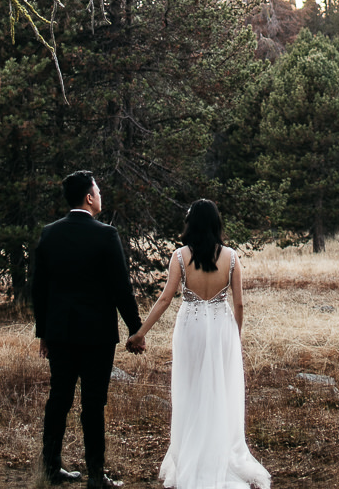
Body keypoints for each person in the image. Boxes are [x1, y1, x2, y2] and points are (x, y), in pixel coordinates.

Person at [126, 200, 271, 489]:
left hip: (190, 327)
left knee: (191, 389)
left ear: (191, 223)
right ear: (217, 223)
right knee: (220, 389)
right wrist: (235, 335)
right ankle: (221, 454)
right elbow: (239, 302)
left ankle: (192, 456)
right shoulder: (231, 257)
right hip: (221, 328)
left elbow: (165, 299)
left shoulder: (180, 257)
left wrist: (140, 333)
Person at [31, 170, 145, 489]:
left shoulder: (49, 233)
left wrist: (43, 333)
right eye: (98, 190)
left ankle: (51, 468)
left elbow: (39, 290)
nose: (100, 195)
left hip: (60, 333)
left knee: (59, 399)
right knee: (93, 403)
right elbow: (121, 288)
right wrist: (136, 329)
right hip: (97, 335)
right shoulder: (106, 235)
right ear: (89, 197)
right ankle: (96, 476)